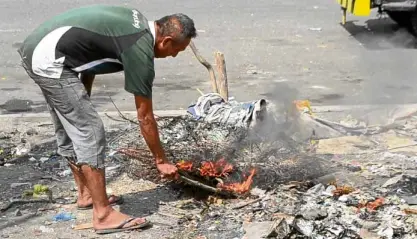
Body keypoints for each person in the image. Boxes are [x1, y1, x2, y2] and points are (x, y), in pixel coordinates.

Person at [17, 4, 197, 235]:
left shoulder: (136, 22)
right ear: (166, 40)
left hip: (41, 49)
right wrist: (160, 160)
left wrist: (82, 94)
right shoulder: (139, 49)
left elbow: (89, 54)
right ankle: (103, 215)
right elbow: (145, 117)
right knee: (89, 131)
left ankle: (86, 194)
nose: (173, 56)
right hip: (49, 60)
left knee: (72, 125)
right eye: (177, 50)